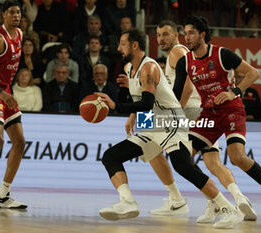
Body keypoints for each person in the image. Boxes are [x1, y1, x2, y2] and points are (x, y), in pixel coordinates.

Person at [96, 29, 244, 229]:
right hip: (154, 124)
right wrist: (136, 120)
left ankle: (228, 209)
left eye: (122, 44)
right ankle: (127, 202)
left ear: (134, 45)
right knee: (111, 156)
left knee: (182, 165)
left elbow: (147, 103)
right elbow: (143, 100)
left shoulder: (149, 67)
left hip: (172, 121)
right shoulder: (130, 67)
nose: (118, 48)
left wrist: (117, 107)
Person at [173, 16, 261, 222]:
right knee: (183, 158)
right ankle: (215, 201)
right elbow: (175, 95)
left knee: (237, 157)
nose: (187, 37)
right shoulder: (185, 62)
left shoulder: (222, 54)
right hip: (208, 114)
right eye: (185, 33)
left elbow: (252, 73)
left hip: (231, 110)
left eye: (191, 32)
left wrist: (233, 91)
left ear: (202, 34)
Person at [152, 19, 257, 221]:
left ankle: (177, 200)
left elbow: (188, 87)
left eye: (165, 34)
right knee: (212, 163)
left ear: (176, 35)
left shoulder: (178, 52)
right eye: (157, 35)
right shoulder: (182, 53)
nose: (160, 39)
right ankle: (234, 198)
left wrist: (175, 115)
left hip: (191, 113)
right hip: (203, 112)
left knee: (151, 143)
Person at [0, 0, 27, 209]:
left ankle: (3, 195)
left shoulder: (21, 34)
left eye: (18, 12)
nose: (16, 16)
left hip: (7, 92)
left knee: (20, 142)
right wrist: (0, 92)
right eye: (12, 12)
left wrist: (7, 92)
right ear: (2, 15)